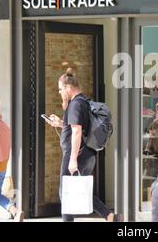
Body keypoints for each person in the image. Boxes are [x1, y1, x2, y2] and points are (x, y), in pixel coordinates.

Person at [47, 68, 122, 222]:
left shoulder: (75, 104)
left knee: (66, 193)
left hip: (78, 154)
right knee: (81, 190)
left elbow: (77, 132)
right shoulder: (83, 102)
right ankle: (110, 217)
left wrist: (73, 159)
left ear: (68, 88)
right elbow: (79, 126)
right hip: (87, 154)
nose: (59, 92)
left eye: (61, 89)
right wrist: (61, 123)